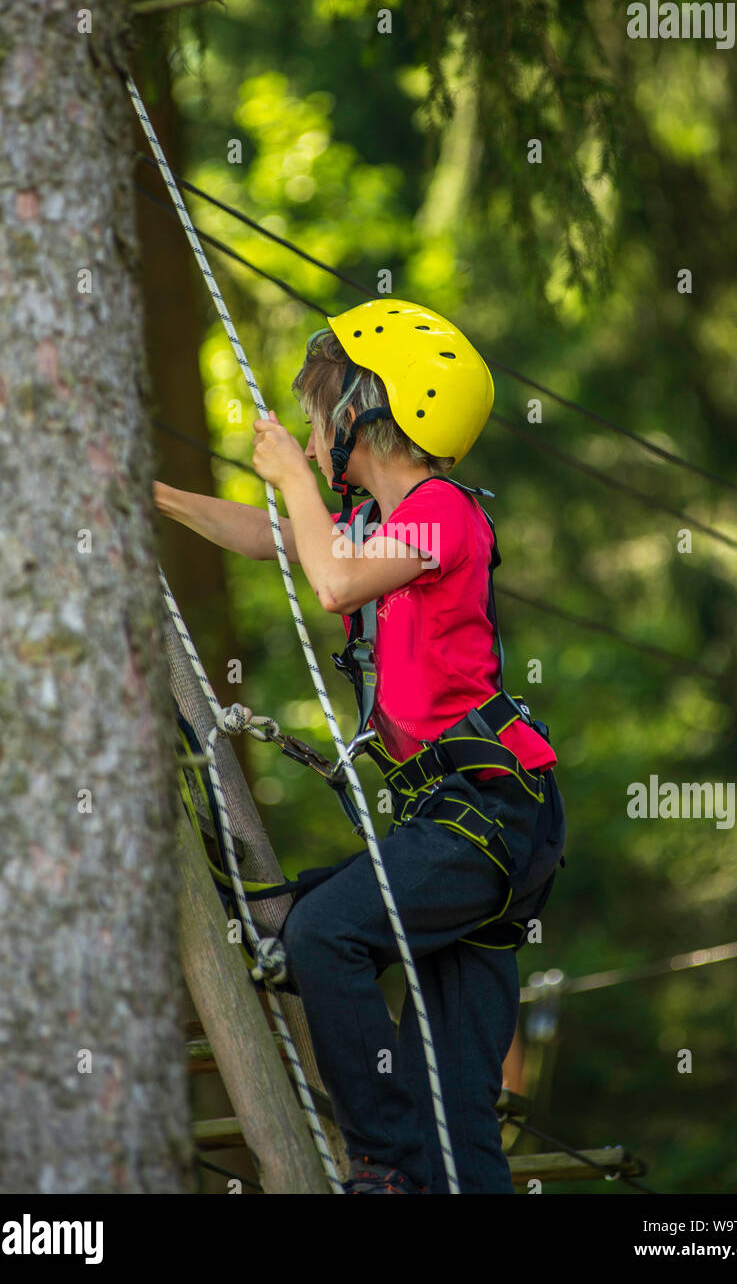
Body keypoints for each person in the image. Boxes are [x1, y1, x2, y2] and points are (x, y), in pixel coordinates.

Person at [154, 299, 566, 1194]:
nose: (306, 450)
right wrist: (150, 498)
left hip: (486, 818)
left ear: (359, 413)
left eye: (313, 426)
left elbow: (330, 576)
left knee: (322, 932)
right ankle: (432, 1164)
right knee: (461, 1108)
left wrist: (294, 488)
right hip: (466, 824)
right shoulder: (386, 527)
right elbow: (274, 538)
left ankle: (384, 1163)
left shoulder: (442, 513)